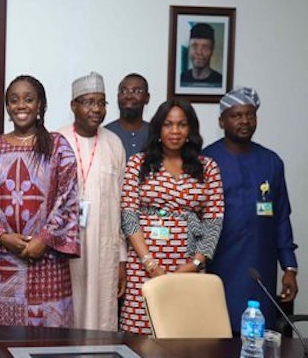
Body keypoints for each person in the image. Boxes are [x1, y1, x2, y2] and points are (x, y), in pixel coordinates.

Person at [0, 75, 80, 327]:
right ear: (8, 108)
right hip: (5, 263)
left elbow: (68, 197)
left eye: (28, 99)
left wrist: (44, 238)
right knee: (4, 341)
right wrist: (2, 236)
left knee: (49, 343)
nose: (21, 105)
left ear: (40, 105)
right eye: (14, 100)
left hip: (48, 261)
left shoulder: (57, 146)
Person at [119, 100, 224, 335]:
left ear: (190, 130)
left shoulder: (207, 167)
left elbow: (214, 221)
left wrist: (195, 263)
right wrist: (150, 264)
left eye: (181, 125)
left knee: (183, 331)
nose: (174, 131)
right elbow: (128, 215)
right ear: (158, 129)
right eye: (168, 124)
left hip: (188, 264)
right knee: (140, 333)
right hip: (144, 264)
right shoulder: (139, 163)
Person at [204, 87, 298, 333]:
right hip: (218, 266)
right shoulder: (206, 161)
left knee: (256, 335)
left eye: (250, 115)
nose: (244, 121)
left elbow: (281, 219)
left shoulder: (272, 161)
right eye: (236, 115)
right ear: (222, 121)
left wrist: (289, 268)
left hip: (260, 267)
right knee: (216, 334)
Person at [57, 72, 127, 332]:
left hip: (104, 247)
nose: (96, 109)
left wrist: (122, 258)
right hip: (65, 247)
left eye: (101, 102)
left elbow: (121, 205)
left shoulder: (114, 144)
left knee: (101, 313)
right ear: (74, 105)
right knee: (67, 309)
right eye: (88, 102)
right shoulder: (57, 140)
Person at [104, 73, 150, 158]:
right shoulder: (105, 135)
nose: (129, 96)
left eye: (136, 91)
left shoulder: (156, 134)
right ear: (117, 97)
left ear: (147, 98)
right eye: (123, 91)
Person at [180, 23, 223, 87]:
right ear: (189, 48)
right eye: (194, 46)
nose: (199, 52)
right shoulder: (181, 79)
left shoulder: (220, 82)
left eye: (205, 47)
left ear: (212, 50)